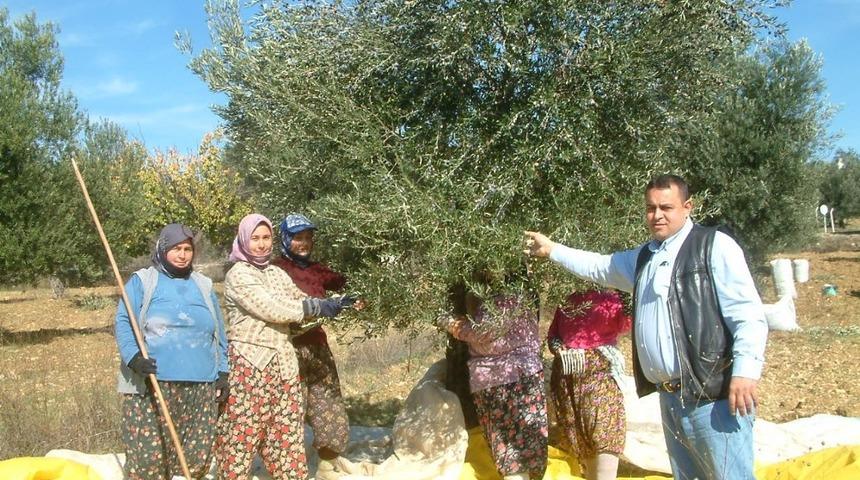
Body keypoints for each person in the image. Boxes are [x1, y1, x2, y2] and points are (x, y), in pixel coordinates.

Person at [525, 174, 768, 479]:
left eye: (666, 207)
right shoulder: (644, 258)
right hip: (671, 399)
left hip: (712, 396)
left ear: (687, 206)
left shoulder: (713, 246)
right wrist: (553, 251)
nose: (657, 215)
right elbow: (600, 265)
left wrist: (745, 372)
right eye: (651, 208)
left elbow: (747, 313)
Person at [215, 213, 353, 480]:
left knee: (287, 438)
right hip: (249, 366)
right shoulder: (238, 275)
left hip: (284, 367)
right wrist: (313, 306)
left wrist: (335, 303)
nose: (262, 244)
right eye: (255, 238)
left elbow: (298, 300)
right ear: (243, 240)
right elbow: (272, 308)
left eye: (266, 238)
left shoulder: (276, 273)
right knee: (240, 438)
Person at [114, 223, 229, 480]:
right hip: (153, 384)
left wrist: (223, 371)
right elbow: (124, 320)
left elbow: (219, 330)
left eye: (188, 249)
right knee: (148, 458)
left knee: (195, 457)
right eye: (176, 248)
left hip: (200, 386)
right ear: (163, 249)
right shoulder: (144, 281)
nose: (183, 254)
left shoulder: (203, 285)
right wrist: (134, 358)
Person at [272, 213, 362, 479]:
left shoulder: (317, 270)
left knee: (329, 405)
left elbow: (345, 283)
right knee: (290, 410)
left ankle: (326, 467)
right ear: (286, 239)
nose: (304, 243)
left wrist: (356, 297)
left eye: (308, 238)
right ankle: (287, 470)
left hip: (318, 347)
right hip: (288, 350)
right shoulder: (275, 269)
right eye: (298, 238)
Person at [440, 277, 548, 480]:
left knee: (512, 452)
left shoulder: (507, 300)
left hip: (509, 381)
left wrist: (449, 322)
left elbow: (485, 334)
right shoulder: (521, 296)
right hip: (515, 378)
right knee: (519, 450)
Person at [548, 289, 631, 480]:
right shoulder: (568, 299)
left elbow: (626, 323)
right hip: (568, 380)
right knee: (582, 440)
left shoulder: (611, 298)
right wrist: (559, 348)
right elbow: (553, 334)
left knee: (604, 433)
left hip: (599, 374)